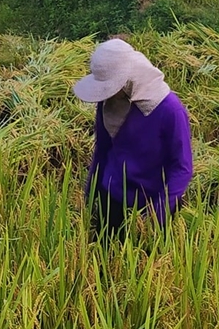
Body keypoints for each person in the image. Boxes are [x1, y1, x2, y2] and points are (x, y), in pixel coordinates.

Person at [73, 38, 193, 238]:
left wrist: (157, 215)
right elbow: (102, 150)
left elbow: (182, 168)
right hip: (111, 196)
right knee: (104, 259)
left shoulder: (169, 109)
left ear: (127, 79)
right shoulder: (108, 103)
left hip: (152, 202)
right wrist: (89, 195)